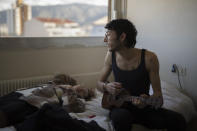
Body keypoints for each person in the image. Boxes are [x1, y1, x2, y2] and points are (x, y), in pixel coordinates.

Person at [97, 19, 186, 131]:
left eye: (108, 35)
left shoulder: (150, 58)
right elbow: (98, 84)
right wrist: (106, 87)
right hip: (119, 107)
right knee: (122, 118)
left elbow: (158, 97)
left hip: (143, 108)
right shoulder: (110, 55)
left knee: (178, 119)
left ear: (122, 37)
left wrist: (147, 100)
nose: (105, 40)